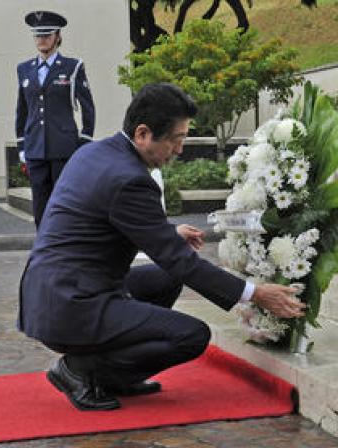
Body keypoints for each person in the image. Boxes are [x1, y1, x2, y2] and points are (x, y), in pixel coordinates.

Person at [17, 83, 305, 411]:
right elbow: (181, 261)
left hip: (51, 293)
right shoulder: (131, 179)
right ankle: (79, 370)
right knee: (191, 335)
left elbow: (100, 221)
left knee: (165, 279)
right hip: (72, 305)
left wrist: (167, 232)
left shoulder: (95, 153)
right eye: (176, 139)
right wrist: (255, 293)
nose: (180, 150)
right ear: (143, 134)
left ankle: (116, 376)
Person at [15, 10, 95, 228]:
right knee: (40, 203)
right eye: (38, 35)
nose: (42, 40)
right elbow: (21, 110)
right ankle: (44, 246)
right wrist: (21, 145)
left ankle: (63, 244)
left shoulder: (72, 67)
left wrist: (85, 141)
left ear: (57, 36)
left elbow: (88, 108)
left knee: (63, 201)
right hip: (35, 148)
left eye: (47, 35)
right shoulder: (24, 69)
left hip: (64, 147)